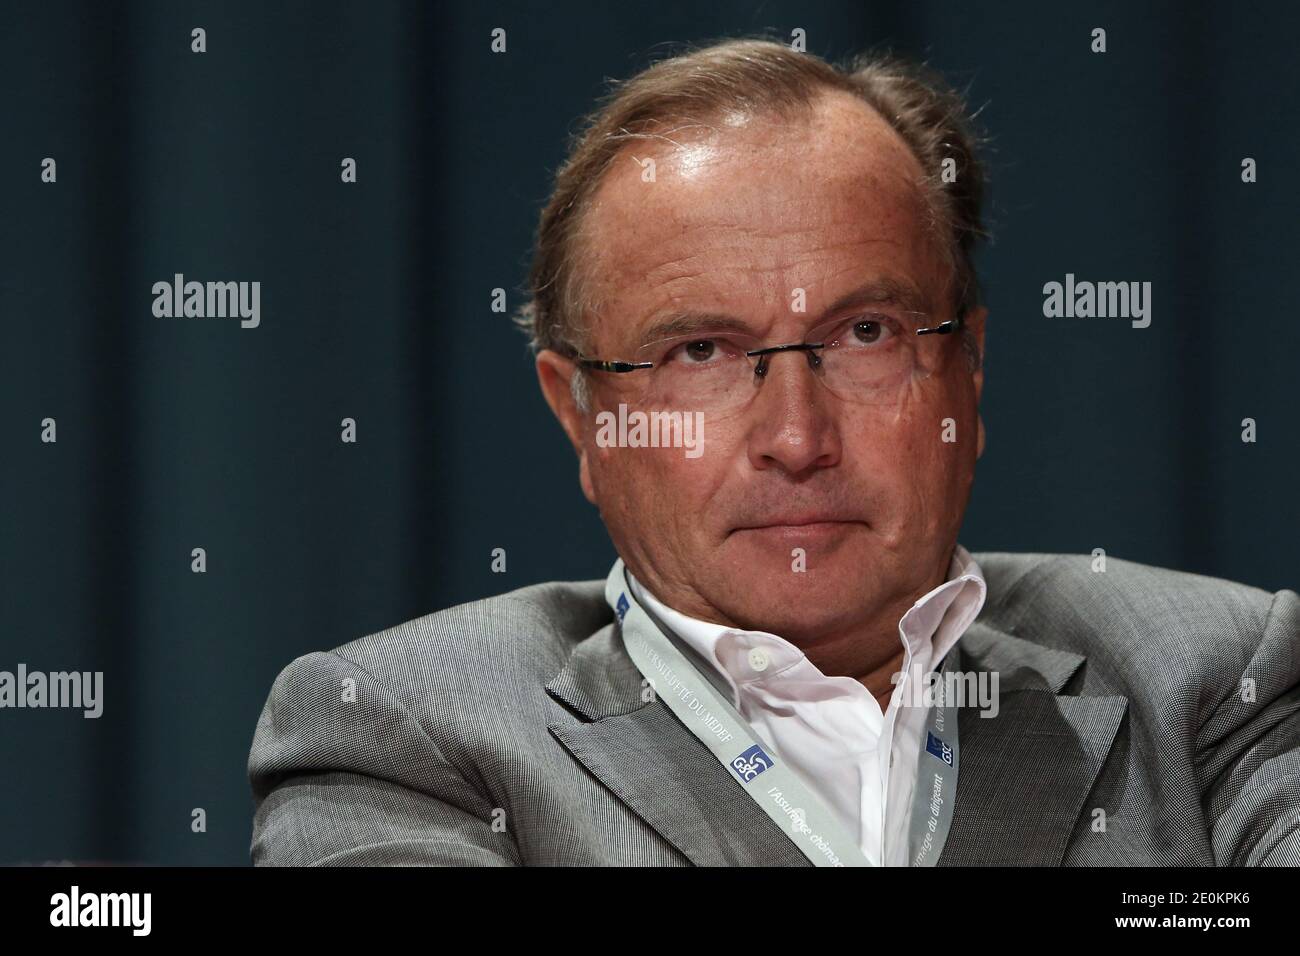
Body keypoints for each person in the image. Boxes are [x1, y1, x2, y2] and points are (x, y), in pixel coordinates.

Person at [247, 38, 1300, 866]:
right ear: (582, 416)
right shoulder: (407, 738)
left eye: (866, 334)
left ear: (967, 371)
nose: (797, 438)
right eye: (699, 351)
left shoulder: (1212, 678)